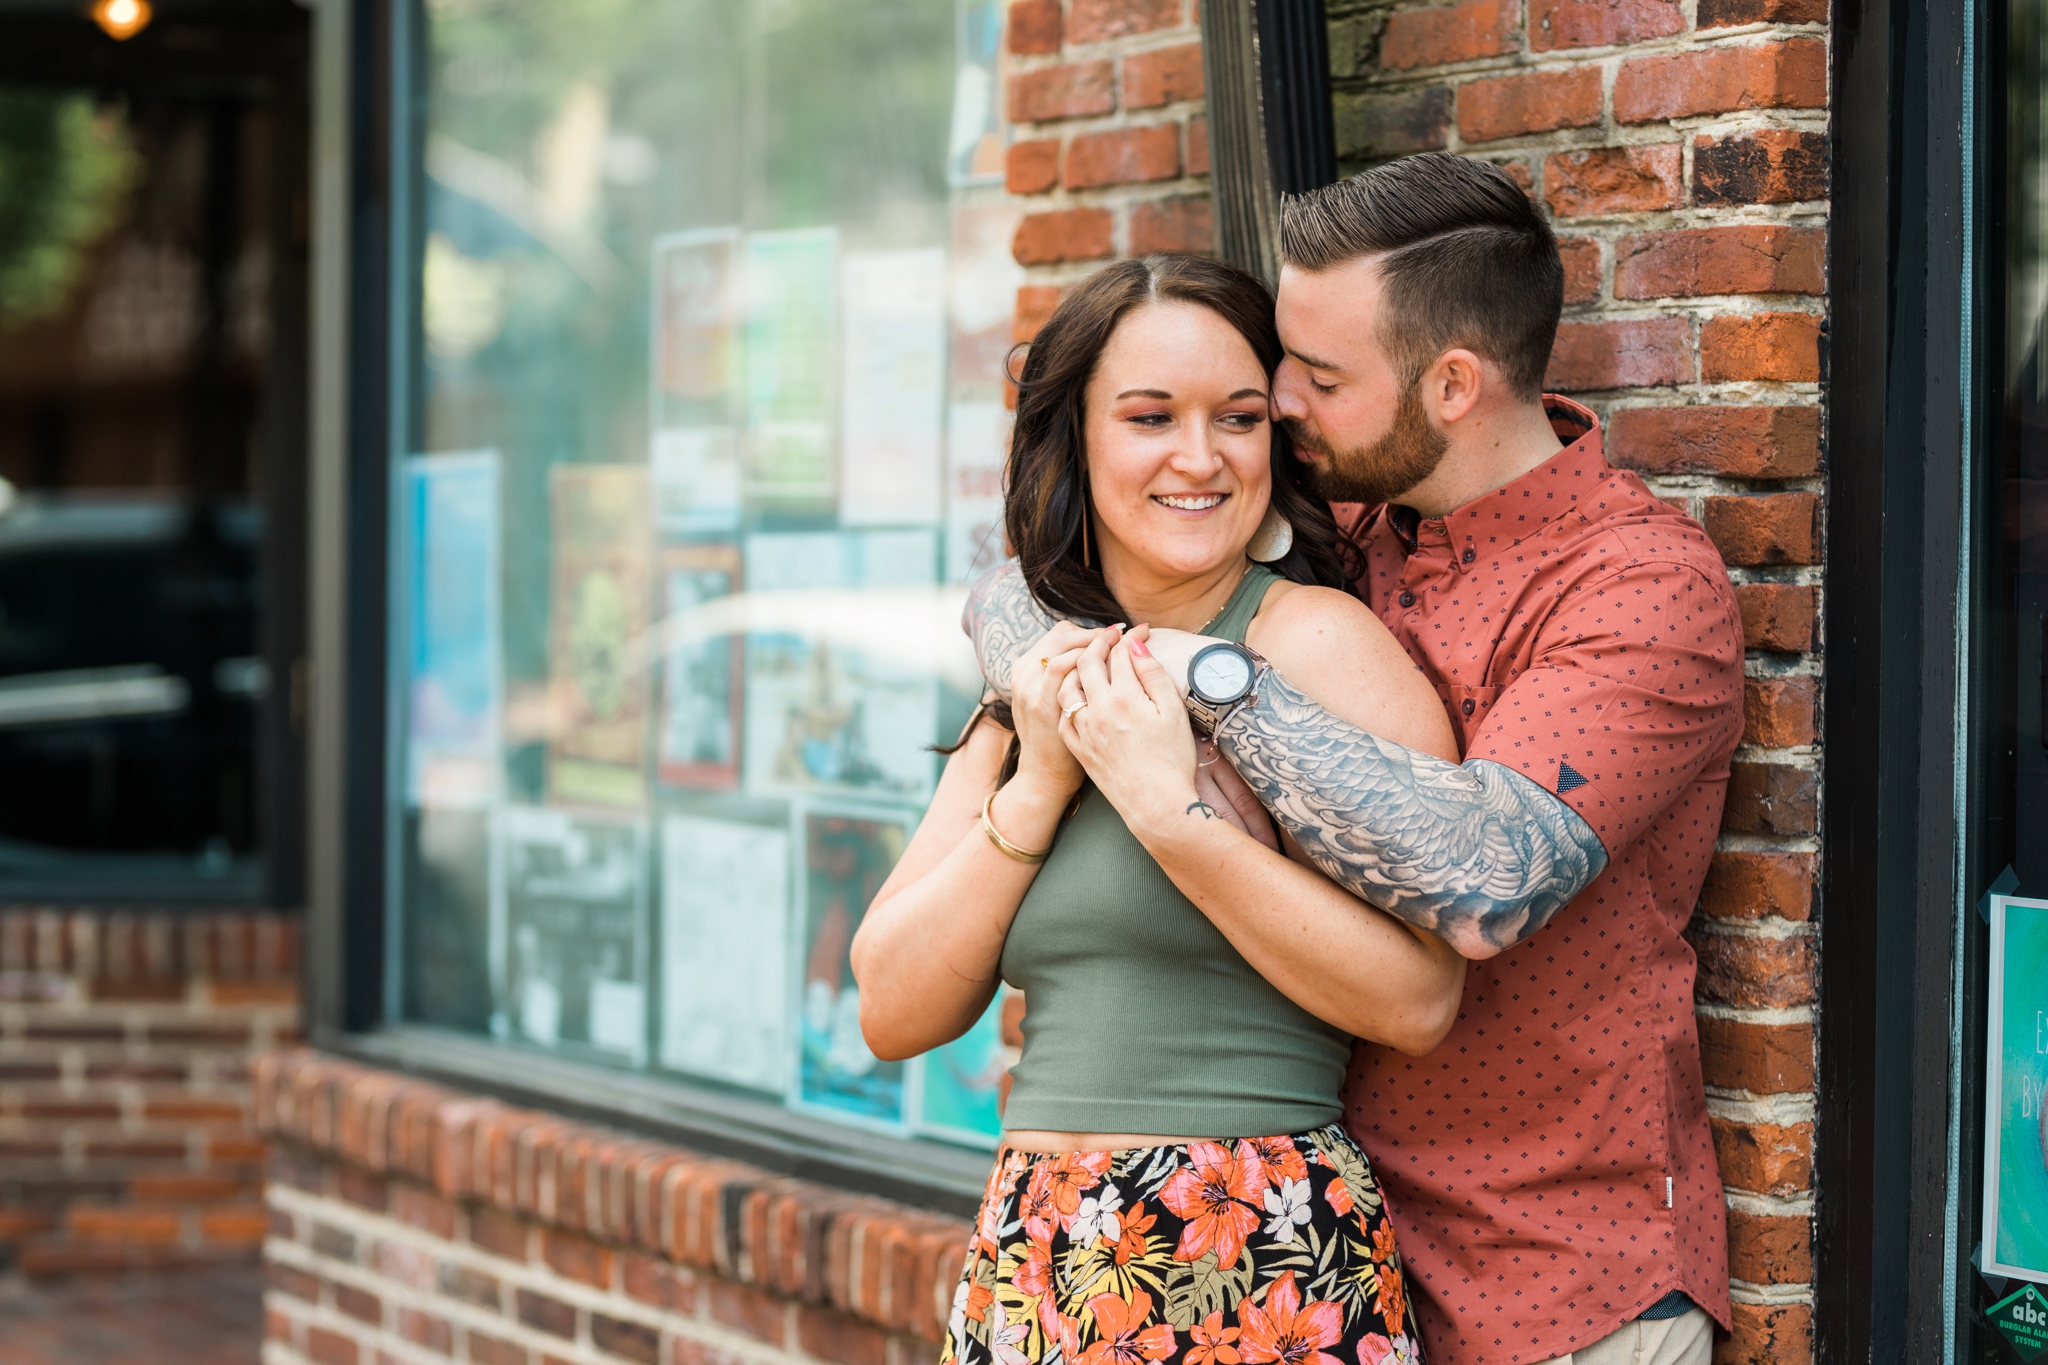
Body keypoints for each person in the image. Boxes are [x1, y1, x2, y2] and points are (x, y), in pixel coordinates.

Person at [964, 153, 1746, 1365]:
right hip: (1310, 1260)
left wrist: (1194, 682)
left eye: (1316, 376)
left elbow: (1479, 878)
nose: (1275, 403)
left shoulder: (1638, 586)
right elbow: (1031, 587)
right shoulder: (1349, 534)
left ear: (1448, 384)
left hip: (1552, 1284)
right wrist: (1054, 643)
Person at [853, 253, 1471, 1364]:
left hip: (1248, 1247)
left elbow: (1420, 998)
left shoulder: (1313, 649)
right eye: (1150, 418)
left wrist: (1167, 815)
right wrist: (1040, 779)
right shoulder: (1036, 672)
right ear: (1075, 440)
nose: (1200, 458)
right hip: (1036, 1250)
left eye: (1237, 418)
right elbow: (891, 1009)